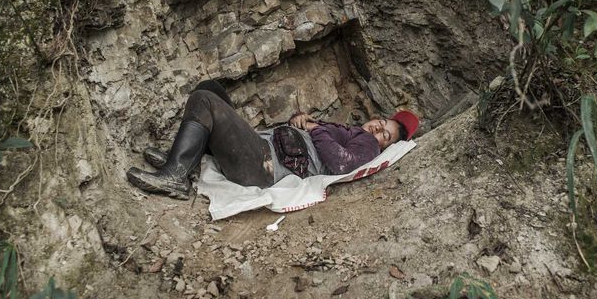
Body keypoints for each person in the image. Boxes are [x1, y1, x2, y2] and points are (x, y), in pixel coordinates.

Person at [126, 80, 419, 199]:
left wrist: (315, 129)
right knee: (211, 89)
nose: (377, 130)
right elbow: (314, 139)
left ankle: (175, 176)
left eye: (385, 135)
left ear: (385, 146)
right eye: (381, 123)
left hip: (264, 164)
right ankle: (183, 160)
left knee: (204, 98)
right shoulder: (352, 130)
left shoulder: (366, 146)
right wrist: (300, 122)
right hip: (262, 146)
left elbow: (341, 163)